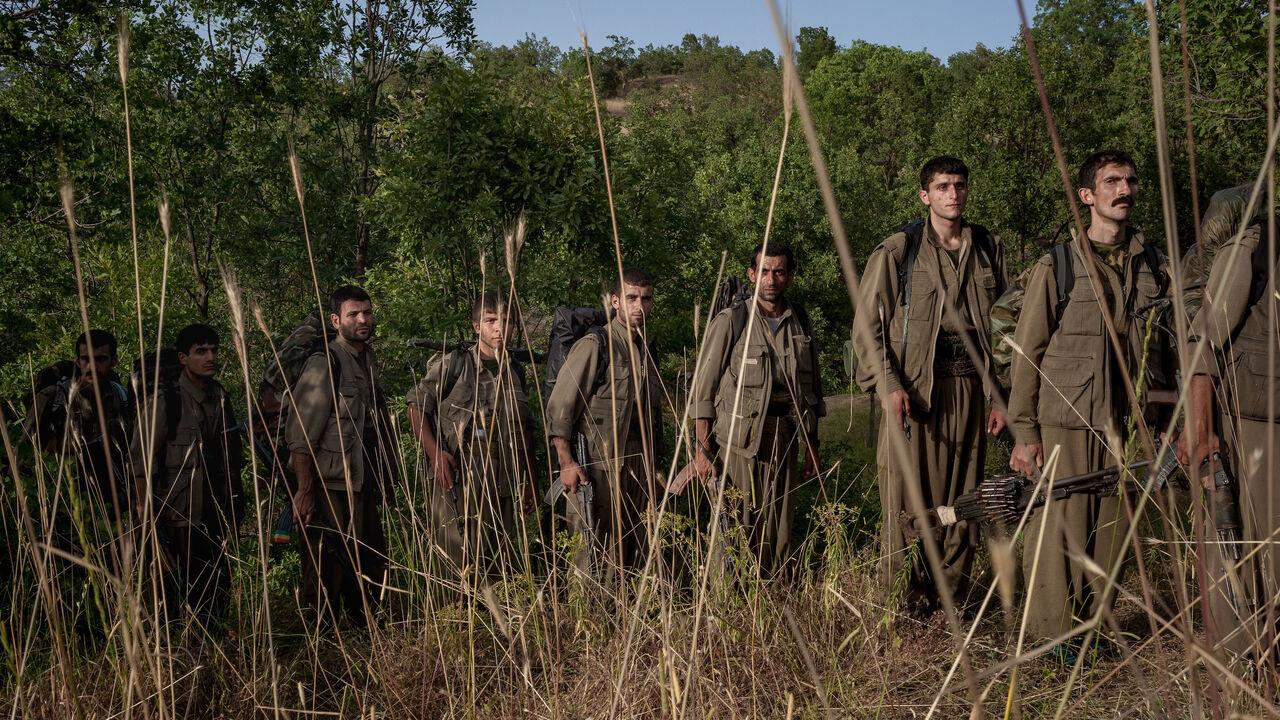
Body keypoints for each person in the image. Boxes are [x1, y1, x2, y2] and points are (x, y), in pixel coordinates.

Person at [1007, 149, 1174, 650]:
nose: (1125, 190)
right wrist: (1025, 432)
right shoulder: (1058, 265)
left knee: (1113, 534)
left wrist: (1167, 418)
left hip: (1131, 421)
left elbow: (1167, 348)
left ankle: (1091, 631)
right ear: (1087, 195)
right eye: (1112, 182)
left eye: (1131, 181)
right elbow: (1028, 351)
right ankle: (1052, 640)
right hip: (1067, 418)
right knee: (1059, 529)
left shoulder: (1154, 264)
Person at [853, 156, 1009, 614]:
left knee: (966, 502)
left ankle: (951, 602)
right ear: (925, 195)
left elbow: (1007, 331)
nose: (952, 195)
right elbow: (866, 329)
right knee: (906, 500)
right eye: (942, 187)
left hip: (971, 391)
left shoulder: (988, 248)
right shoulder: (899, 251)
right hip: (915, 394)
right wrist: (888, 384)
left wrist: (1002, 397)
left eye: (959, 185)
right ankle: (903, 603)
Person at [691, 242, 825, 578]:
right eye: (764, 271)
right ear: (752, 275)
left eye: (779, 272)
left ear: (789, 276)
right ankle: (728, 602)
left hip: (785, 441)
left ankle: (774, 598)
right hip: (738, 445)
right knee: (736, 530)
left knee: (779, 531)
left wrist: (812, 446)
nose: (771, 279)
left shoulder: (800, 322)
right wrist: (703, 450)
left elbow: (812, 392)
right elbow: (702, 392)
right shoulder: (732, 321)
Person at [1184, 217, 1280, 666]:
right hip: (1254, 423)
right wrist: (1201, 427)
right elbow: (1203, 341)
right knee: (1250, 545)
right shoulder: (1256, 246)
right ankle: (1241, 665)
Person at [406, 290, 538, 585]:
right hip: (459, 476)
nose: (500, 328)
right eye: (491, 320)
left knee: (499, 560)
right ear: (477, 326)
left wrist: (530, 478)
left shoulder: (515, 372)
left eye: (507, 321)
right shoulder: (455, 365)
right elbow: (416, 406)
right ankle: (456, 613)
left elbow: (525, 431)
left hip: (503, 477)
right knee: (458, 560)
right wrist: (435, 454)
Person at [545, 268, 665, 581]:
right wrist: (566, 462)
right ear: (615, 301)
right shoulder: (596, 344)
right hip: (596, 468)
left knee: (632, 554)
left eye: (645, 299)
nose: (639, 306)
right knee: (590, 555)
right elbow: (560, 408)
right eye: (631, 298)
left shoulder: (646, 349)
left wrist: (655, 468)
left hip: (637, 466)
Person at [287, 285, 396, 626]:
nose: (363, 320)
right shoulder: (326, 363)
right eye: (353, 314)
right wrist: (305, 490)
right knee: (325, 569)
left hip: (363, 482)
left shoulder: (367, 360)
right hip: (329, 487)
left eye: (367, 312)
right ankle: (321, 643)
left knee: (369, 564)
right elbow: (301, 437)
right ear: (336, 321)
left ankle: (367, 635)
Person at [130, 323, 243, 625]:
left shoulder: (220, 398)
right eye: (201, 351)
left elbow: (232, 458)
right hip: (176, 518)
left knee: (214, 599)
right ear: (183, 358)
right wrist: (147, 522)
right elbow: (141, 465)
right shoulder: (166, 401)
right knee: (170, 605)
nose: (210, 357)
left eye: (214, 351)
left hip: (214, 515)